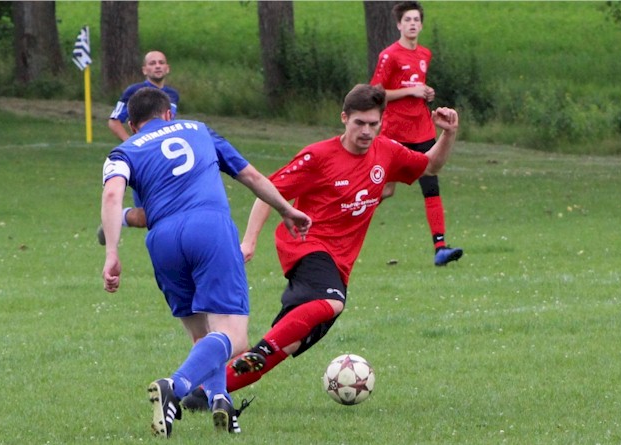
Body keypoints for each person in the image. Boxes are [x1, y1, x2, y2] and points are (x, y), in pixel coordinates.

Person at [180, 84, 459, 410]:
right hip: (305, 244)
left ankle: (201, 395)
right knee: (332, 302)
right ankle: (255, 353)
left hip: (339, 263)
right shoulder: (319, 156)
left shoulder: (387, 152)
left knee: (288, 343)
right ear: (344, 118)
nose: (366, 131)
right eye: (359, 123)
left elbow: (429, 166)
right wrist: (249, 240)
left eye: (373, 123)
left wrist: (448, 135)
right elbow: (267, 190)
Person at [100, 87, 311, 437]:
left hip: (163, 239)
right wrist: (286, 209)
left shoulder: (125, 149)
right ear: (169, 114)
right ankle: (175, 387)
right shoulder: (198, 129)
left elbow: (112, 195)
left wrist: (112, 253)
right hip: (208, 228)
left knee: (202, 335)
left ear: (133, 125)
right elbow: (251, 176)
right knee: (234, 336)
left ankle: (220, 401)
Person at [370, 1, 463, 267]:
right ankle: (346, 221)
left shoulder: (424, 54)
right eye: (407, 20)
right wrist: (410, 91)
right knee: (385, 189)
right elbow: (376, 92)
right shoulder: (390, 55)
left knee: (430, 181)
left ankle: (440, 248)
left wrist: (426, 93)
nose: (412, 24)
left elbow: (416, 87)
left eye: (416, 20)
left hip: (422, 128)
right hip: (394, 131)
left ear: (421, 25)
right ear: (399, 25)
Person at [98, 50, 180, 244]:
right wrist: (134, 145)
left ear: (167, 68)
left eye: (161, 62)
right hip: (144, 162)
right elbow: (114, 121)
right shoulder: (134, 92)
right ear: (144, 70)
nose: (157, 66)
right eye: (152, 63)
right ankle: (118, 217)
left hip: (167, 159)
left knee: (175, 207)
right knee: (146, 217)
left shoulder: (173, 95)